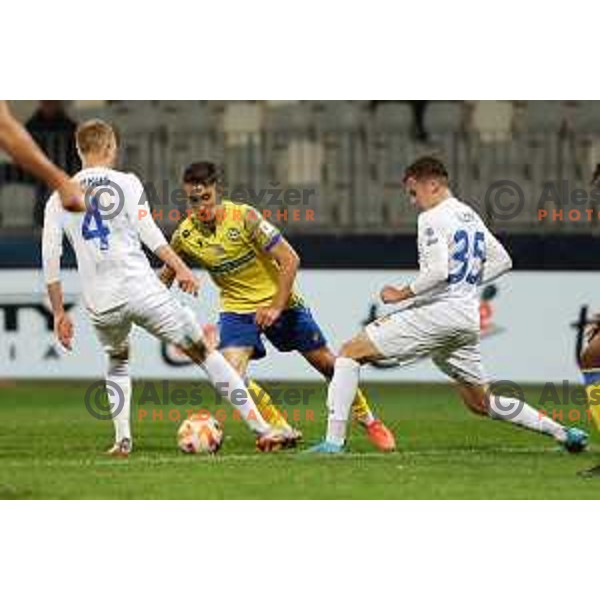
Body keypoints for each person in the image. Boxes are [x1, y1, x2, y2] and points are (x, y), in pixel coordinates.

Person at [308, 155, 588, 453]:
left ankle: (333, 442)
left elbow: (439, 271)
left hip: (438, 313)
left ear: (432, 184)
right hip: (466, 319)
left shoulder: (432, 217)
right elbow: (503, 260)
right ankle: (563, 432)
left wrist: (402, 293)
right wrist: (465, 283)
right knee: (481, 402)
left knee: (349, 354)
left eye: (414, 192)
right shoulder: (469, 214)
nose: (413, 201)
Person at [42, 120, 285, 456]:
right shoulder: (126, 183)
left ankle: (122, 440)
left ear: (78, 149)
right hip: (142, 290)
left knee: (117, 360)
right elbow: (151, 234)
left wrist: (58, 313)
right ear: (111, 146)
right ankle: (263, 428)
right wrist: (182, 268)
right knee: (203, 353)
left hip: (102, 303)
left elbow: (50, 260)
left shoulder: (58, 197)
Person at [159, 161, 396, 451]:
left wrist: (275, 306)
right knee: (232, 375)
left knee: (328, 365)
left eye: (206, 198)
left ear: (217, 192)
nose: (201, 207)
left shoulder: (245, 217)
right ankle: (277, 428)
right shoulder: (184, 235)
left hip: (280, 303)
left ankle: (369, 420)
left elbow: (291, 259)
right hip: (236, 309)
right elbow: (164, 278)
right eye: (194, 201)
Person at [0, 101, 83, 211]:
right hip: (39, 171)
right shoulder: (33, 123)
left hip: (63, 168)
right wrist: (61, 182)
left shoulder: (70, 126)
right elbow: (5, 130)